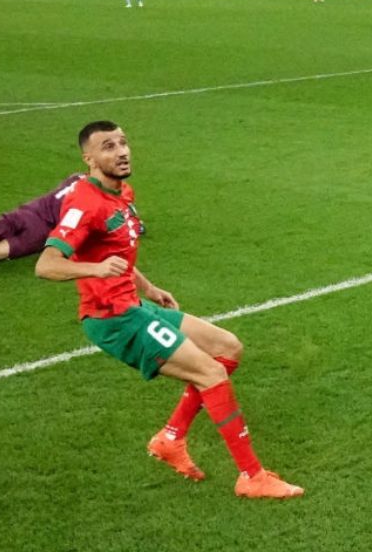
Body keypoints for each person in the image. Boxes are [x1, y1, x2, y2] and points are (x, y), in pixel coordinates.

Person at [34, 121, 304, 499]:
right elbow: (47, 264)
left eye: (124, 143)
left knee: (227, 347)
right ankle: (252, 477)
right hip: (114, 319)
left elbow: (115, 247)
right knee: (210, 373)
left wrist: (148, 287)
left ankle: (170, 439)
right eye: (108, 146)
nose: (122, 151)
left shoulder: (119, 192)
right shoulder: (85, 202)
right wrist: (94, 269)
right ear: (89, 158)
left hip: (133, 303)